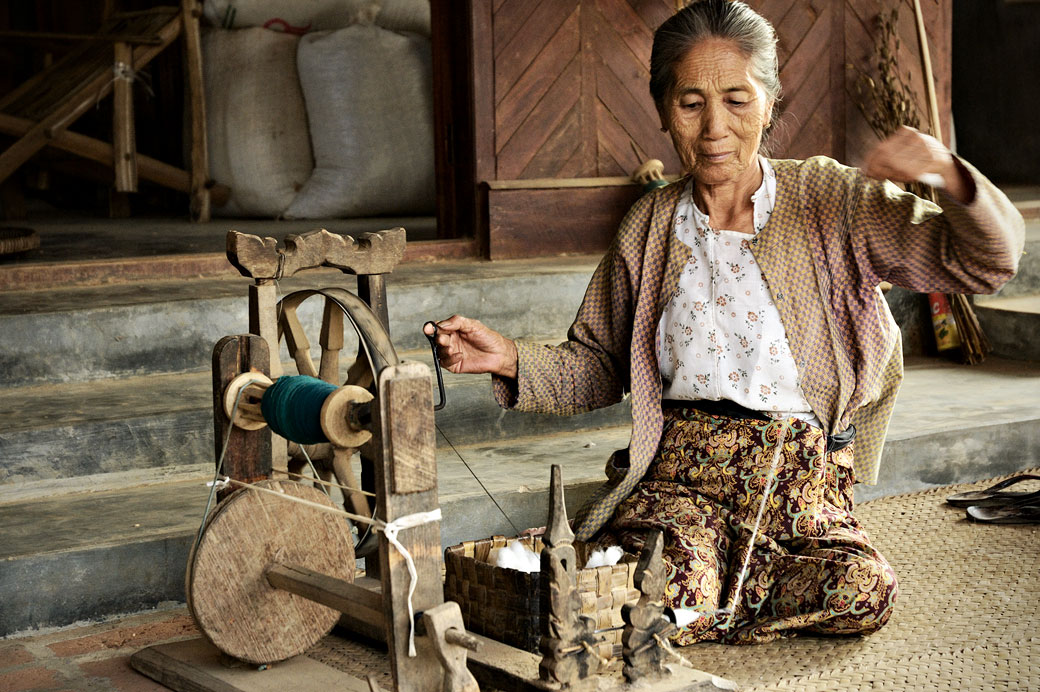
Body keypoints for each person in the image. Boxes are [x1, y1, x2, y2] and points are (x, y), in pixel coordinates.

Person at [425, 0, 1024, 645]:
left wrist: (950, 174)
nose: (715, 127)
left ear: (769, 103)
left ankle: (700, 608)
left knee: (863, 592)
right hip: (682, 485)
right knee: (670, 586)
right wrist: (509, 358)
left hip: (799, 487)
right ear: (662, 111)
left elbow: (985, 262)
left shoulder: (830, 199)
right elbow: (597, 364)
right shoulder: (650, 226)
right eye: (690, 103)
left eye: (737, 100)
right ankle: (695, 597)